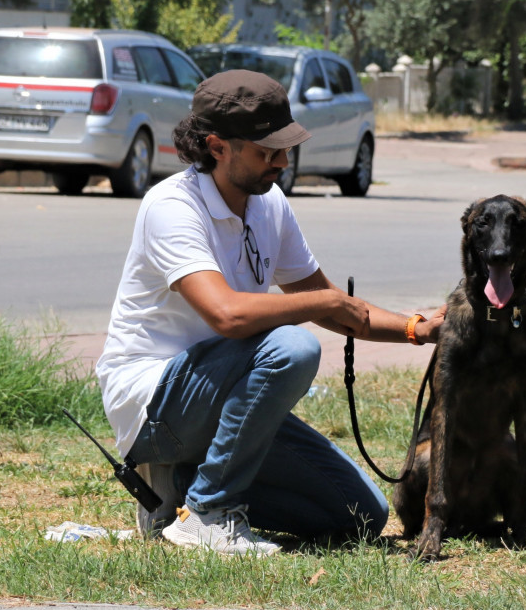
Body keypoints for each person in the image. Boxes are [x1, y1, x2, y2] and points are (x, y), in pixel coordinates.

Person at [95, 70, 442, 556]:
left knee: (360, 514)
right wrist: (322, 303)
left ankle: (182, 488)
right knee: (293, 345)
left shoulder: (268, 202)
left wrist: (417, 329)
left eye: (286, 148)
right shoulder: (171, 206)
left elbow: (331, 302)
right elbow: (228, 317)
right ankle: (207, 513)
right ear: (217, 146)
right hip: (155, 405)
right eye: (267, 151)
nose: (282, 161)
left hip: (220, 397)